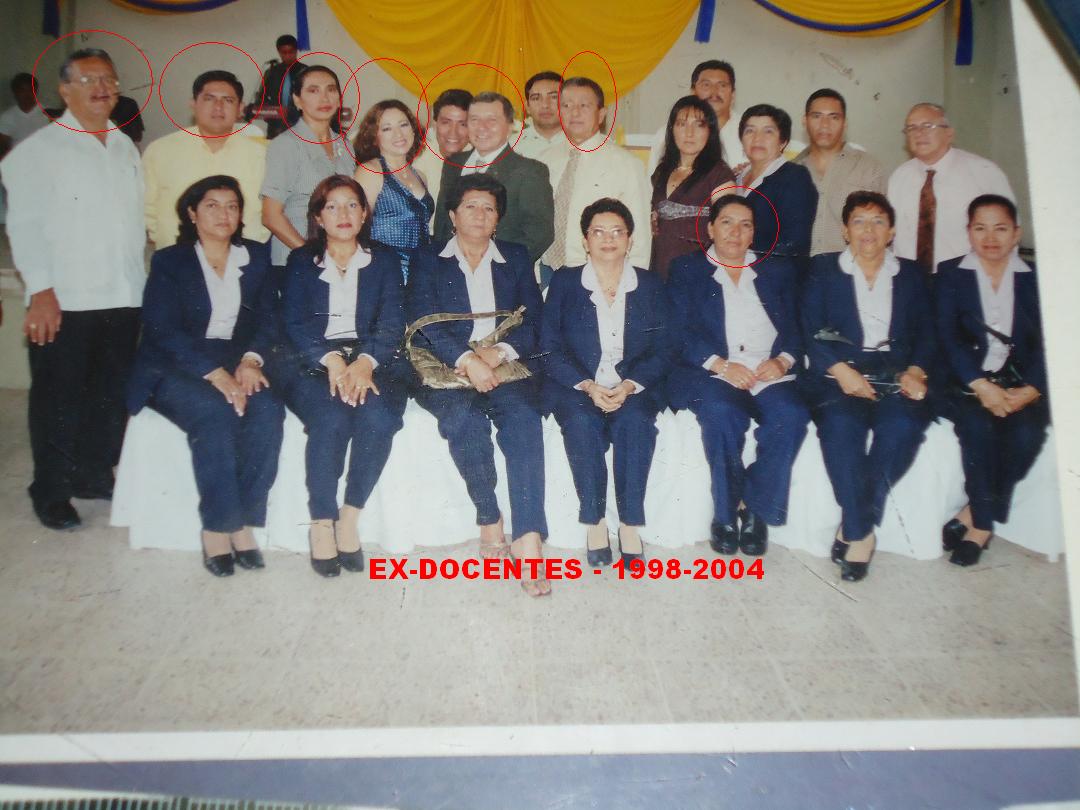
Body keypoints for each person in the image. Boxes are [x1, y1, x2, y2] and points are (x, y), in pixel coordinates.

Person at [1, 48, 144, 530]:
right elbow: (24, 227)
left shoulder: (124, 145)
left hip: (122, 295)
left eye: (109, 79)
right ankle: (51, 489)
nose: (102, 88)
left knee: (108, 394)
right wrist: (41, 291)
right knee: (58, 399)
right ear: (64, 90)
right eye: (89, 80)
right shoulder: (38, 151)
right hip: (66, 299)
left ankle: (91, 474)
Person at [127, 176, 284, 577]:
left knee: (268, 410)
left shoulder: (256, 256)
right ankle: (217, 526)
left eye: (232, 206)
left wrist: (251, 361)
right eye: (212, 205)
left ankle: (245, 523)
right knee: (214, 413)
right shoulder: (171, 261)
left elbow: (269, 319)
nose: (223, 214)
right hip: (176, 363)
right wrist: (214, 374)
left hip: (237, 359)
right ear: (192, 213)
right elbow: (162, 330)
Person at [407, 173, 550, 596]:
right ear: (452, 215)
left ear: (498, 218)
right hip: (446, 365)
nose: (480, 214)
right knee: (463, 420)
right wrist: (467, 359)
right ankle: (489, 517)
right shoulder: (428, 257)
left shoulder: (516, 257)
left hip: (501, 363)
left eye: (489, 208)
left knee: (524, 419)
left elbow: (535, 322)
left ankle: (528, 539)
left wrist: (497, 353)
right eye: (470, 206)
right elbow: (421, 319)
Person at [801, 191, 934, 582]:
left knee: (903, 426)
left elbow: (928, 333)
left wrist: (916, 370)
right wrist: (841, 370)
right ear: (845, 230)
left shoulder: (911, 274)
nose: (868, 230)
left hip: (896, 373)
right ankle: (862, 535)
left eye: (878, 222)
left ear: (891, 231)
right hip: (838, 372)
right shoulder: (823, 268)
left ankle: (854, 524)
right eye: (858, 221)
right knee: (842, 428)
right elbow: (809, 327)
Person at [667, 194, 808, 558]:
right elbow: (677, 332)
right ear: (711, 229)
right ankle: (726, 515)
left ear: (753, 233)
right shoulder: (686, 269)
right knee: (721, 414)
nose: (735, 232)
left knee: (792, 415)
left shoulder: (777, 270)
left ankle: (756, 508)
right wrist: (721, 365)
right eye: (727, 223)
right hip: (716, 371)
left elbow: (797, 326)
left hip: (768, 370)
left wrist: (783, 361)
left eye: (745, 225)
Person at [282, 175, 407, 577]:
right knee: (331, 417)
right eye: (332, 206)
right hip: (315, 360)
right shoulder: (301, 261)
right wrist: (332, 361)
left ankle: (349, 517)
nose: (343, 214)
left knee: (379, 417)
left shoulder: (384, 260)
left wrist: (365, 361)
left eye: (352, 204)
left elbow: (392, 321)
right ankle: (322, 522)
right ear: (318, 217)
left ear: (365, 213)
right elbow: (295, 323)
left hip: (373, 358)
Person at [540, 198, 670, 565]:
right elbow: (548, 346)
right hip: (580, 385)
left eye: (617, 232)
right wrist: (587, 385)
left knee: (636, 422)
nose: (608, 239)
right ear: (585, 240)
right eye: (598, 232)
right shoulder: (565, 282)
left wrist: (629, 385)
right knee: (581, 422)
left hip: (633, 385)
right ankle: (595, 521)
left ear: (630, 240)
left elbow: (666, 347)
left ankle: (629, 523)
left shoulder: (649, 284)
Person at [935, 194, 1047, 567]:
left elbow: (1053, 339)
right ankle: (982, 527)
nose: (990, 238)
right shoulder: (951, 274)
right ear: (969, 232)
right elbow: (947, 338)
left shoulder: (1037, 278)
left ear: (1016, 233)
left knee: (1027, 435)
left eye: (1000, 228)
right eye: (980, 228)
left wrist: (1032, 388)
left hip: (1020, 385)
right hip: (966, 384)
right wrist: (981, 385)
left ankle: (971, 512)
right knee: (978, 428)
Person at [540, 77, 651, 286]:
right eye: (566, 105)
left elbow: (640, 238)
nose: (574, 113)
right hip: (546, 272)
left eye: (584, 105)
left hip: (599, 273)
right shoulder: (544, 160)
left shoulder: (627, 164)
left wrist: (633, 286)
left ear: (601, 114)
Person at [143, 70, 269, 248]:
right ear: (193, 104)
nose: (218, 107)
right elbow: (146, 207)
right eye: (209, 99)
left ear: (240, 108)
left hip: (244, 255)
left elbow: (271, 211)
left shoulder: (262, 155)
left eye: (228, 100)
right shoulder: (160, 150)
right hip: (178, 255)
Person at [887, 102, 1014, 272]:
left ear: (949, 133)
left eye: (927, 126)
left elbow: (1009, 233)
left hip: (965, 278)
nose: (919, 133)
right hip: (910, 277)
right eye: (911, 128)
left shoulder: (984, 173)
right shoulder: (899, 176)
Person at [433, 91, 554, 264]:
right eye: (474, 120)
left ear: (510, 126)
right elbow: (442, 223)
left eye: (491, 120)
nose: (482, 127)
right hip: (450, 269)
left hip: (500, 272)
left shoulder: (529, 171)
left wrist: (496, 267)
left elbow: (540, 234)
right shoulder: (453, 163)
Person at [261, 64, 356, 271]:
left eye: (331, 89)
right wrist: (313, 258)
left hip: (339, 258)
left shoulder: (345, 145)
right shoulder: (286, 145)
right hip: (297, 259)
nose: (324, 98)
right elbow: (271, 216)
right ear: (297, 100)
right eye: (313, 91)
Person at [649, 95, 734, 280]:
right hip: (659, 270)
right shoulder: (661, 172)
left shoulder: (720, 175)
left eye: (699, 125)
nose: (689, 133)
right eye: (682, 124)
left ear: (710, 131)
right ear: (671, 129)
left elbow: (727, 232)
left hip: (700, 276)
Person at [792, 88, 885, 256]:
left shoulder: (868, 167)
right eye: (817, 116)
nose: (825, 125)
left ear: (845, 123)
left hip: (851, 268)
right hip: (802, 268)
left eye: (833, 117)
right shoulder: (791, 170)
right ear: (805, 121)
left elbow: (883, 228)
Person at [353, 99, 433, 282]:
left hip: (421, 274)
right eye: (387, 128)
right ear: (374, 137)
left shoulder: (420, 176)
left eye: (403, 125)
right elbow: (357, 229)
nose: (398, 134)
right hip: (385, 274)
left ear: (413, 129)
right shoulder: (371, 171)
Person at [735, 104, 817, 260]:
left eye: (768, 131)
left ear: (783, 142)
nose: (757, 138)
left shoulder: (795, 178)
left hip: (771, 272)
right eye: (750, 131)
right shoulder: (734, 178)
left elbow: (793, 245)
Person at [647, 60, 744, 176]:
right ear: (693, 92)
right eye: (706, 85)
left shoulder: (749, 132)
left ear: (733, 94)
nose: (714, 92)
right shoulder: (667, 133)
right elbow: (653, 181)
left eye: (722, 85)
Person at [412, 88, 472, 229]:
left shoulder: (481, 158)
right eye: (446, 122)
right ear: (435, 124)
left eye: (463, 124)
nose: (453, 132)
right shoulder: (415, 154)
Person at [249, 34, 304, 139]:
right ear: (279, 52)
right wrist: (265, 111)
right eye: (284, 52)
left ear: (296, 51)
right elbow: (262, 98)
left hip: (299, 123)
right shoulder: (271, 72)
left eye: (291, 52)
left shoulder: (305, 72)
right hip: (275, 125)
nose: (288, 56)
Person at [517, 71, 567, 160]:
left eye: (554, 97)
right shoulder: (511, 146)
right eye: (536, 98)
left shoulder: (586, 142)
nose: (545, 105)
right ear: (527, 106)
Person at [0, 73, 49, 160]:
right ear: (15, 92)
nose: (27, 94)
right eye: (22, 90)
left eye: (31, 90)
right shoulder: (7, 117)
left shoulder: (49, 113)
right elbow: (2, 146)